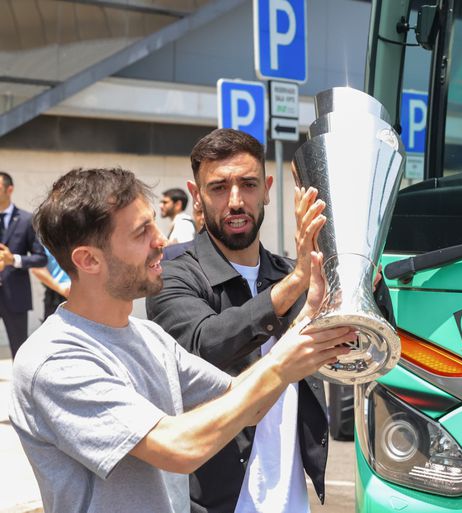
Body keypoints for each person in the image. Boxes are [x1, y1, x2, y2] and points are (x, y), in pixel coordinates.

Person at [8, 167, 354, 513]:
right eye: (142, 232)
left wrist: (305, 322)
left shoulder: (149, 337)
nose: (161, 240)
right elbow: (180, 447)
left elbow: (245, 404)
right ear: (88, 260)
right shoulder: (54, 360)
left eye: (154, 223)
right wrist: (282, 365)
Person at [146, 128, 394, 513]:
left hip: (291, 499)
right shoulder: (174, 274)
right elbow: (203, 344)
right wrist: (295, 283)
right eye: (218, 187)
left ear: (268, 189)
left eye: (248, 185)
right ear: (196, 196)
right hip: (212, 503)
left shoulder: (293, 274)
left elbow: (359, 356)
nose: (235, 201)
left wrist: (362, 283)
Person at [0, 171, 47, 357]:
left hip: (15, 296)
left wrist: (14, 260)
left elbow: (40, 258)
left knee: (19, 350)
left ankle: (20, 386)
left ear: (9, 190)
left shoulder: (27, 220)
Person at [31, 247, 71, 320]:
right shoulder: (46, 242)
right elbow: (36, 268)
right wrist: (61, 289)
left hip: (85, 293)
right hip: (56, 294)